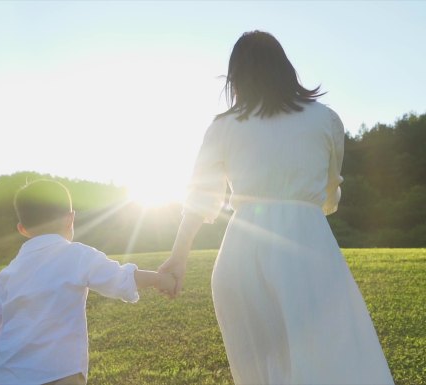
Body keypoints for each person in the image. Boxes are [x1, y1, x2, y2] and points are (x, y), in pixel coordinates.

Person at [158, 31, 395, 384]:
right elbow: (331, 190)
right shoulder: (325, 119)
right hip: (308, 245)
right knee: (332, 361)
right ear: (285, 68)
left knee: (262, 370)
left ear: (236, 76)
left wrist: (178, 257)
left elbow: (199, 199)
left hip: (240, 255)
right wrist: (309, 209)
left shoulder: (223, 127)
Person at [0, 179, 175, 385]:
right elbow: (120, 279)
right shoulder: (77, 255)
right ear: (71, 218)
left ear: (22, 229)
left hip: (7, 376)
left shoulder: (7, 274)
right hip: (59, 373)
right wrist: (159, 279)